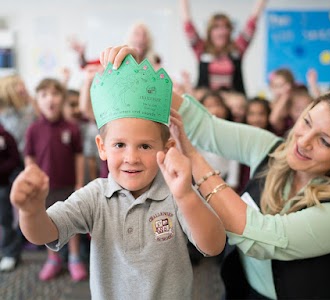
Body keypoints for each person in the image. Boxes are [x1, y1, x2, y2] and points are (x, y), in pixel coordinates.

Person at [99, 45, 330, 299]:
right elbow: (206, 127)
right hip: (245, 290)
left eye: (324, 141)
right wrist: (140, 77)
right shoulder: (274, 149)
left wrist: (195, 161)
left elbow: (262, 237)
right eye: (307, 121)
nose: (303, 141)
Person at [11, 54, 225, 299]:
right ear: (102, 147)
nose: (131, 157)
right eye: (120, 145)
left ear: (166, 149)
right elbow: (44, 233)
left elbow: (214, 245)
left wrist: (186, 195)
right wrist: (31, 211)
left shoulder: (177, 192)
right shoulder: (95, 196)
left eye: (145, 146)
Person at [24, 78, 87, 282]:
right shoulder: (33, 129)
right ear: (38, 101)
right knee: (47, 223)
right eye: (44, 95)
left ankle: (75, 258)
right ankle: (53, 259)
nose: (50, 99)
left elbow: (78, 156)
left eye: (55, 94)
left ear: (62, 98)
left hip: (68, 185)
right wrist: (30, 183)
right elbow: (30, 159)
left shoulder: (72, 128)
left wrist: (79, 182)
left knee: (72, 223)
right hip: (44, 189)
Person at [180, 0, 267, 95]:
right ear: (210, 31)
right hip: (206, 101)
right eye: (216, 27)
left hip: (233, 103)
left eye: (225, 27)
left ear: (230, 31)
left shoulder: (237, 49)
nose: (221, 32)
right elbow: (188, 25)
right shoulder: (201, 49)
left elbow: (252, 23)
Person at [0, 124, 23, 272]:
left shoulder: (5, 136)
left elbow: (15, 160)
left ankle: (10, 252)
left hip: (3, 183)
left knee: (5, 219)